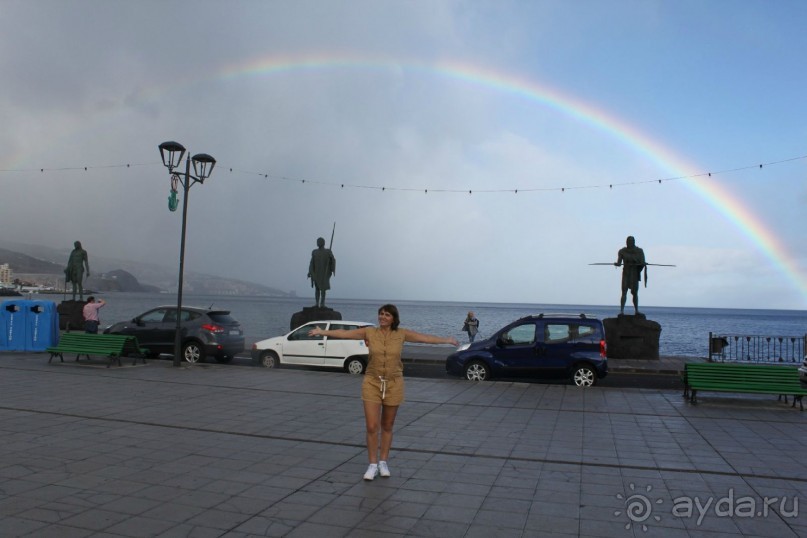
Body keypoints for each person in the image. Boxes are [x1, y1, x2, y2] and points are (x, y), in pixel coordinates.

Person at [309, 304, 458, 481]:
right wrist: (322, 332)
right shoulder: (369, 332)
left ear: (393, 318)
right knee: (372, 426)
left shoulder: (402, 334)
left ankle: (383, 462)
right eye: (381, 314)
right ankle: (372, 464)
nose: (383, 317)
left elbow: (423, 338)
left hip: (394, 383)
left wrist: (446, 340)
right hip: (372, 382)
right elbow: (344, 333)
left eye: (387, 315)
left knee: (387, 426)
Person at [614, 235, 646, 315]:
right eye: (628, 241)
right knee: (624, 292)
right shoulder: (622, 251)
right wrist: (617, 264)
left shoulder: (639, 251)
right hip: (626, 273)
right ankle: (621, 311)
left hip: (634, 274)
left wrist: (642, 264)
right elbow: (619, 262)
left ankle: (636, 310)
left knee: (635, 293)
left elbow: (642, 262)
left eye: (631, 241)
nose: (629, 243)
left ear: (634, 242)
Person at [308, 237, 335, 308]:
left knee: (323, 289)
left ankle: (322, 303)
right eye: (317, 241)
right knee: (317, 288)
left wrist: (331, 260)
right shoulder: (314, 252)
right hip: (316, 273)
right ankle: (317, 303)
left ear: (323, 243)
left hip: (324, 273)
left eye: (319, 241)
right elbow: (311, 263)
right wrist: (310, 271)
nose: (318, 243)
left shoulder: (328, 251)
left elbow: (333, 260)